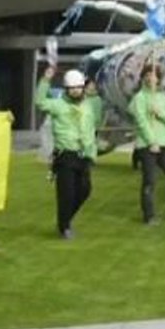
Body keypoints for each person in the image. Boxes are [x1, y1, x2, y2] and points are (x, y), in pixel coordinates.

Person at [36, 66, 99, 239]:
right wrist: (45, 81)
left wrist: (92, 154)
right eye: (72, 88)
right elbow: (40, 102)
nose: (76, 91)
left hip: (84, 154)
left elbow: (91, 129)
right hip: (66, 154)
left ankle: (64, 219)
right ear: (66, 89)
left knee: (85, 190)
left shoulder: (88, 105)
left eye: (79, 87)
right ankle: (64, 227)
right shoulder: (58, 105)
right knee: (67, 193)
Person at [130, 64, 165, 225]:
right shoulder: (139, 98)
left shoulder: (163, 97)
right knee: (150, 181)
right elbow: (141, 121)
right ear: (143, 77)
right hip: (147, 145)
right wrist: (151, 141)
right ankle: (149, 215)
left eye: (153, 75)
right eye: (147, 75)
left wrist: (159, 113)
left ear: (158, 78)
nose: (150, 78)